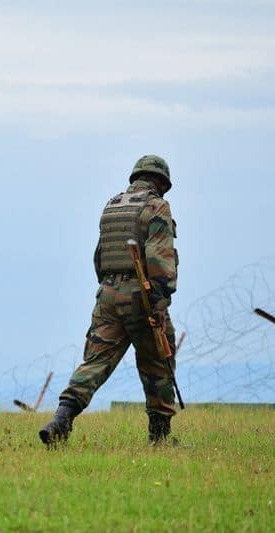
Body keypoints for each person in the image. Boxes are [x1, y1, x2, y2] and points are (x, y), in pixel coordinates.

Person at [39, 154, 179, 446]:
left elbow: (99, 257)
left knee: (95, 362)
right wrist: (159, 302)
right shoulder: (157, 207)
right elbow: (160, 259)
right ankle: (160, 438)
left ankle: (61, 419)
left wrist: (111, 290)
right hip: (141, 294)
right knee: (158, 361)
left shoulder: (112, 207)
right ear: (161, 182)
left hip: (108, 294)